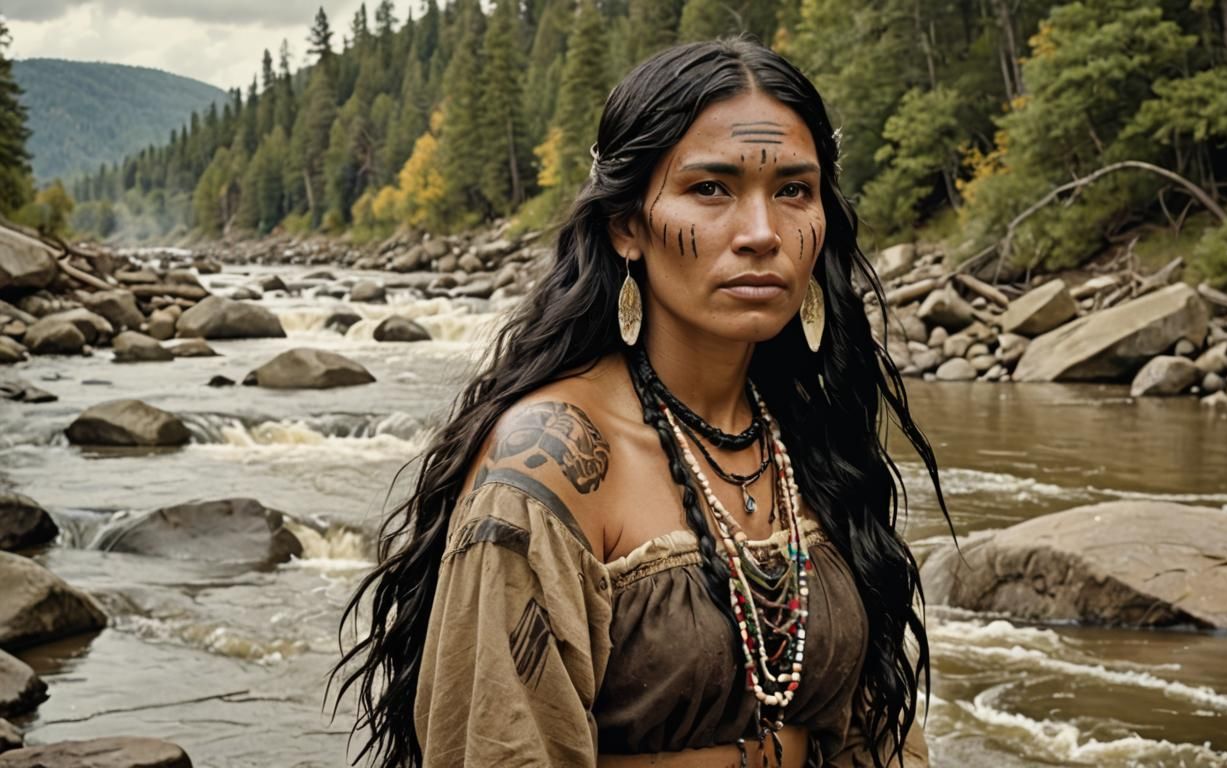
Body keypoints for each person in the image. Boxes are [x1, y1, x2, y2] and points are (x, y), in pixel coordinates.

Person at [332, 38, 949, 768]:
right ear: (627, 225)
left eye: (793, 190)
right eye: (710, 189)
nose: (761, 234)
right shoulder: (549, 460)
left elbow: (876, 736)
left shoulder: (812, 438)